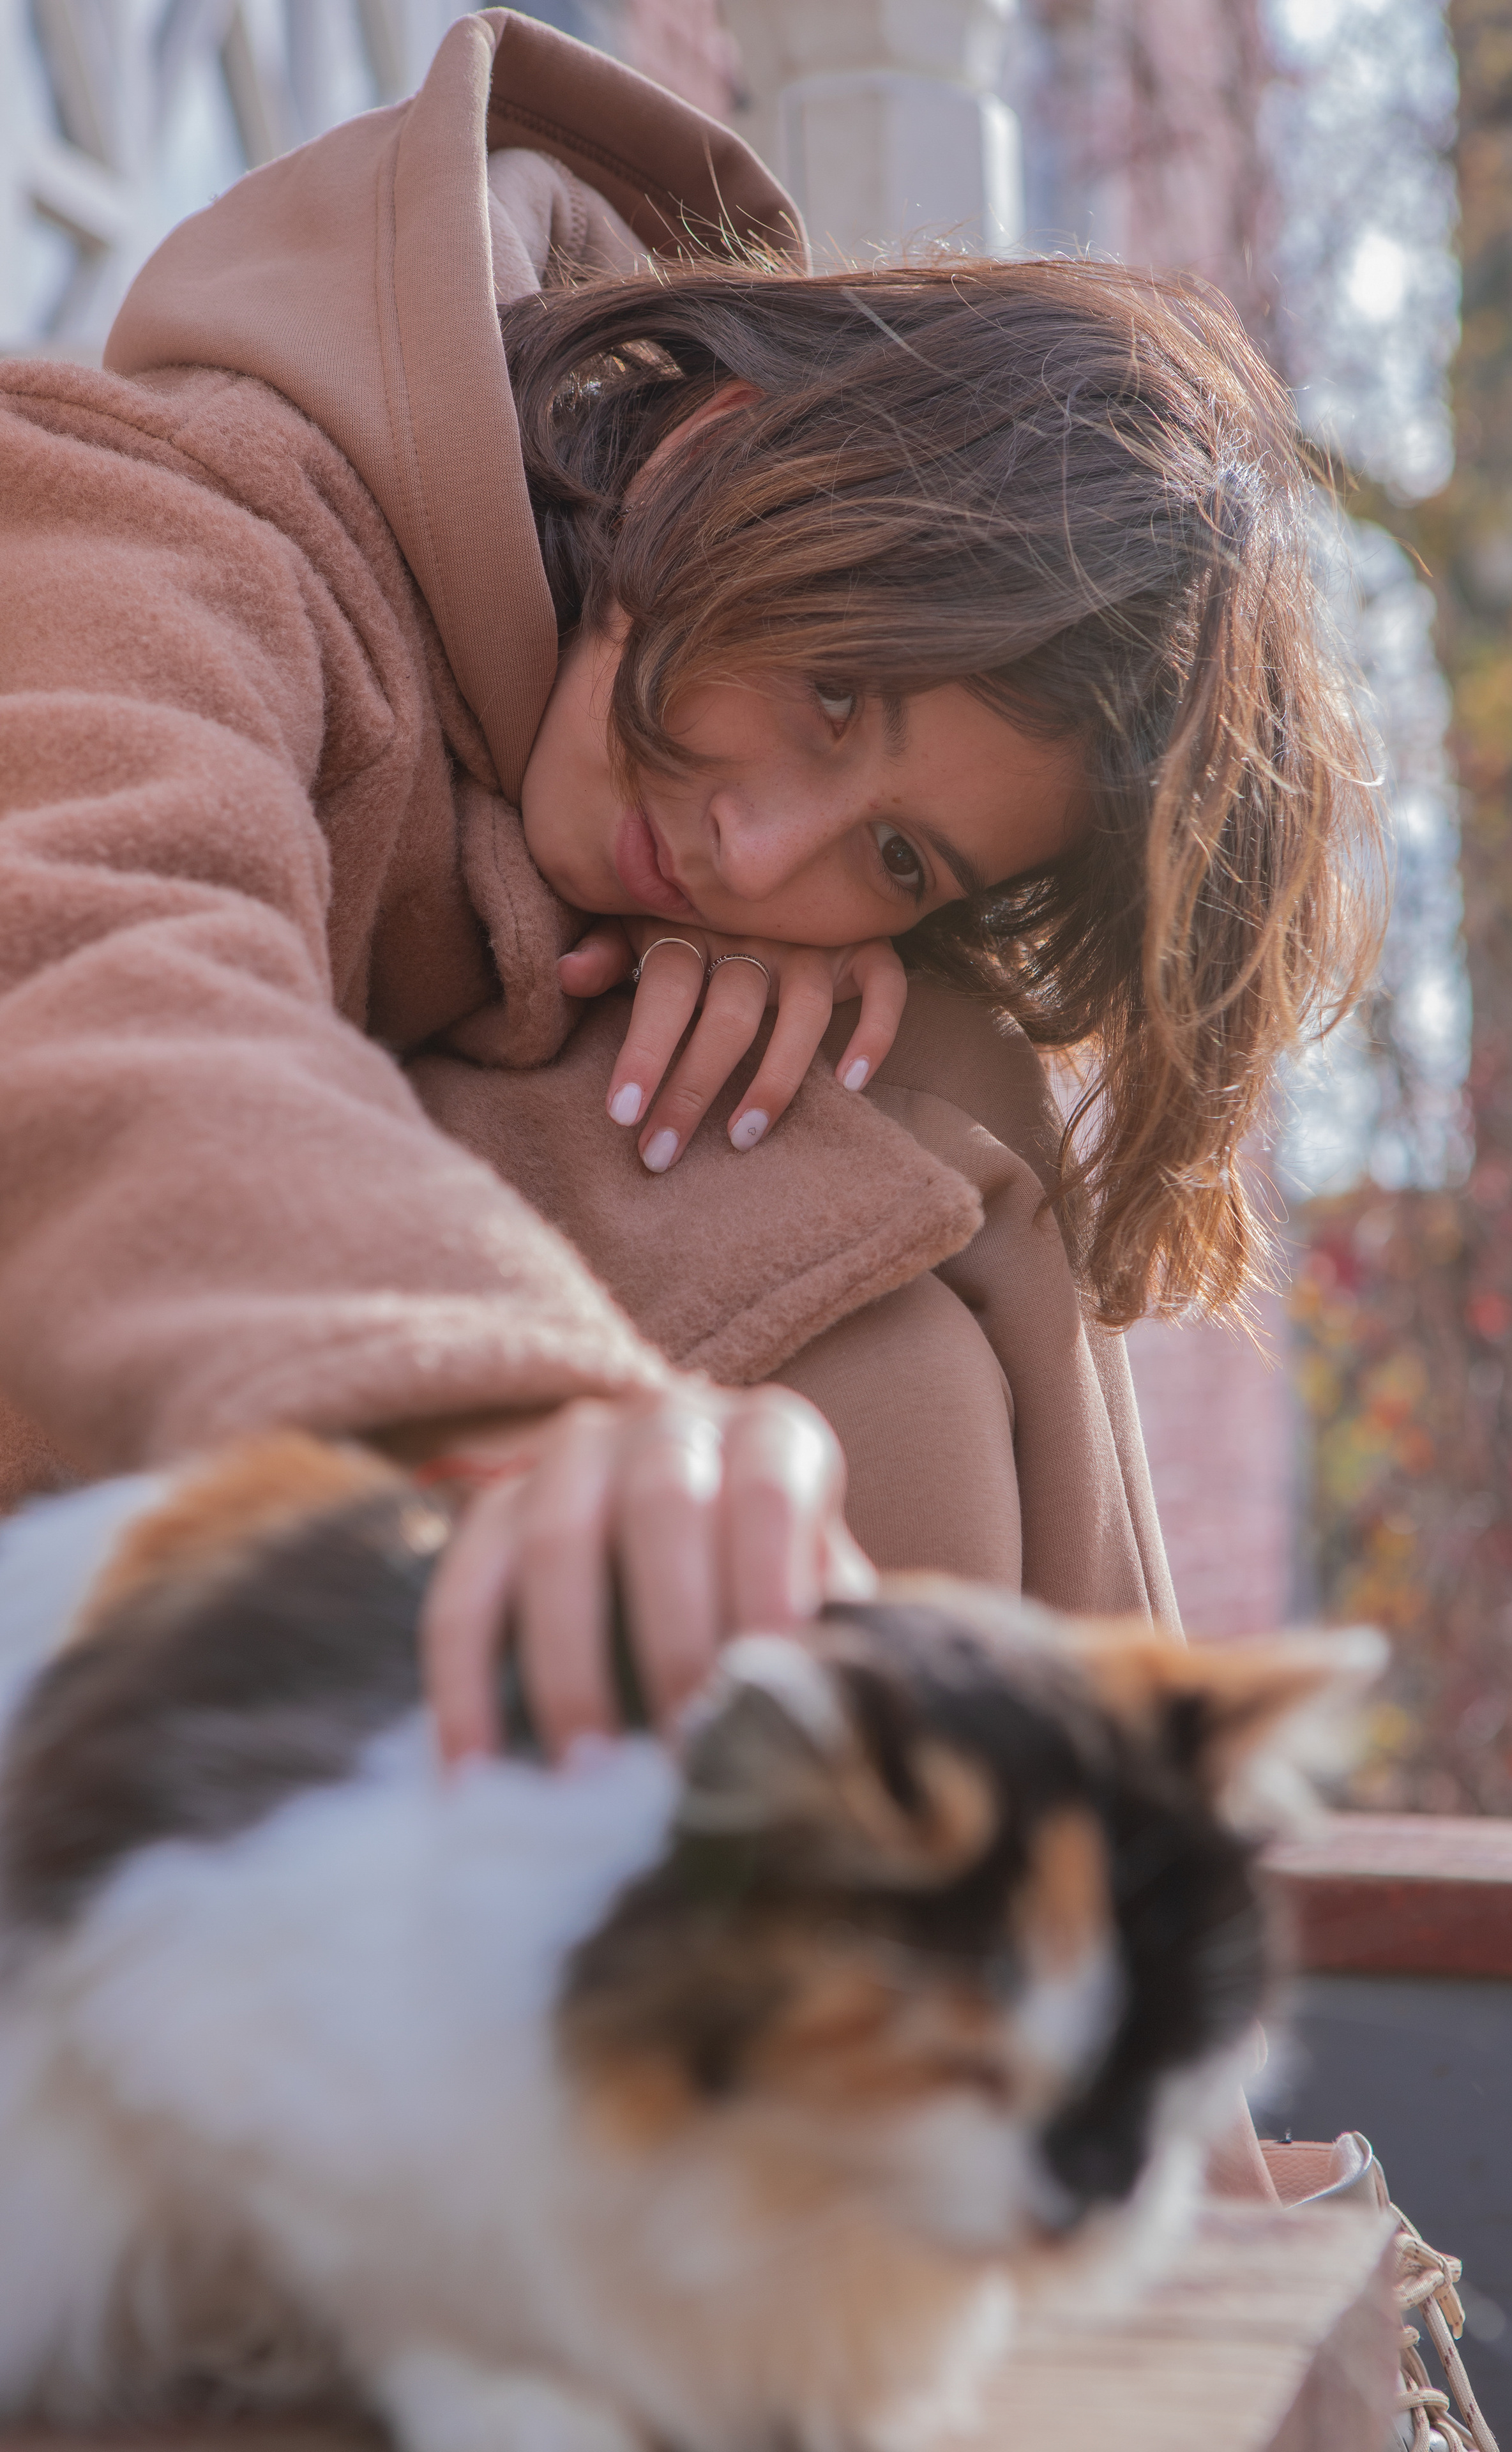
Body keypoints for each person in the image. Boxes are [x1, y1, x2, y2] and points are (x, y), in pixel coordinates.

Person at [0, 10, 1380, 1774]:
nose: (762, 853)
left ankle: (1090, 1952)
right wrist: (509, 1410)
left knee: (923, 1093)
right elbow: (99, 985)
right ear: (716, 450)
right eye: (830, 695)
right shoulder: (165, 515)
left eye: (898, 856)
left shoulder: (797, 967)